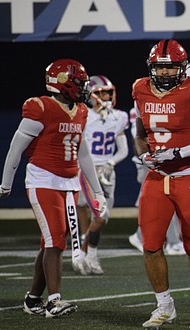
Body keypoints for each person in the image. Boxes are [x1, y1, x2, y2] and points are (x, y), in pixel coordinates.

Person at [0, 59, 107, 318]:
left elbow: (83, 152)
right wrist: (6, 184)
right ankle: (54, 301)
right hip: (43, 179)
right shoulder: (40, 106)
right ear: (62, 83)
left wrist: (97, 191)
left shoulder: (80, 110)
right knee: (55, 238)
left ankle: (33, 299)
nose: (84, 88)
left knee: (51, 242)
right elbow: (15, 148)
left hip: (69, 183)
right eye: (79, 83)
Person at [132, 39, 190, 330]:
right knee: (151, 245)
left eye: (171, 68)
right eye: (161, 67)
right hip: (157, 178)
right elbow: (140, 131)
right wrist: (143, 153)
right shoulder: (140, 88)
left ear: (182, 68)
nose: (166, 73)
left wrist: (178, 152)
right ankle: (164, 306)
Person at [74, 75, 129, 275]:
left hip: (107, 171)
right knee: (96, 214)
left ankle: (85, 251)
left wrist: (110, 162)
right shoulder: (83, 115)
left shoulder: (118, 117)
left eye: (108, 92)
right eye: (101, 92)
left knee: (102, 217)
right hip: (87, 171)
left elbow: (123, 149)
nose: (106, 96)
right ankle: (87, 255)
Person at [127, 107, 184, 255]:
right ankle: (173, 242)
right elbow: (139, 137)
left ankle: (141, 236)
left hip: (163, 158)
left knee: (159, 202)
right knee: (166, 198)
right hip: (150, 161)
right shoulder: (142, 106)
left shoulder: (165, 104)